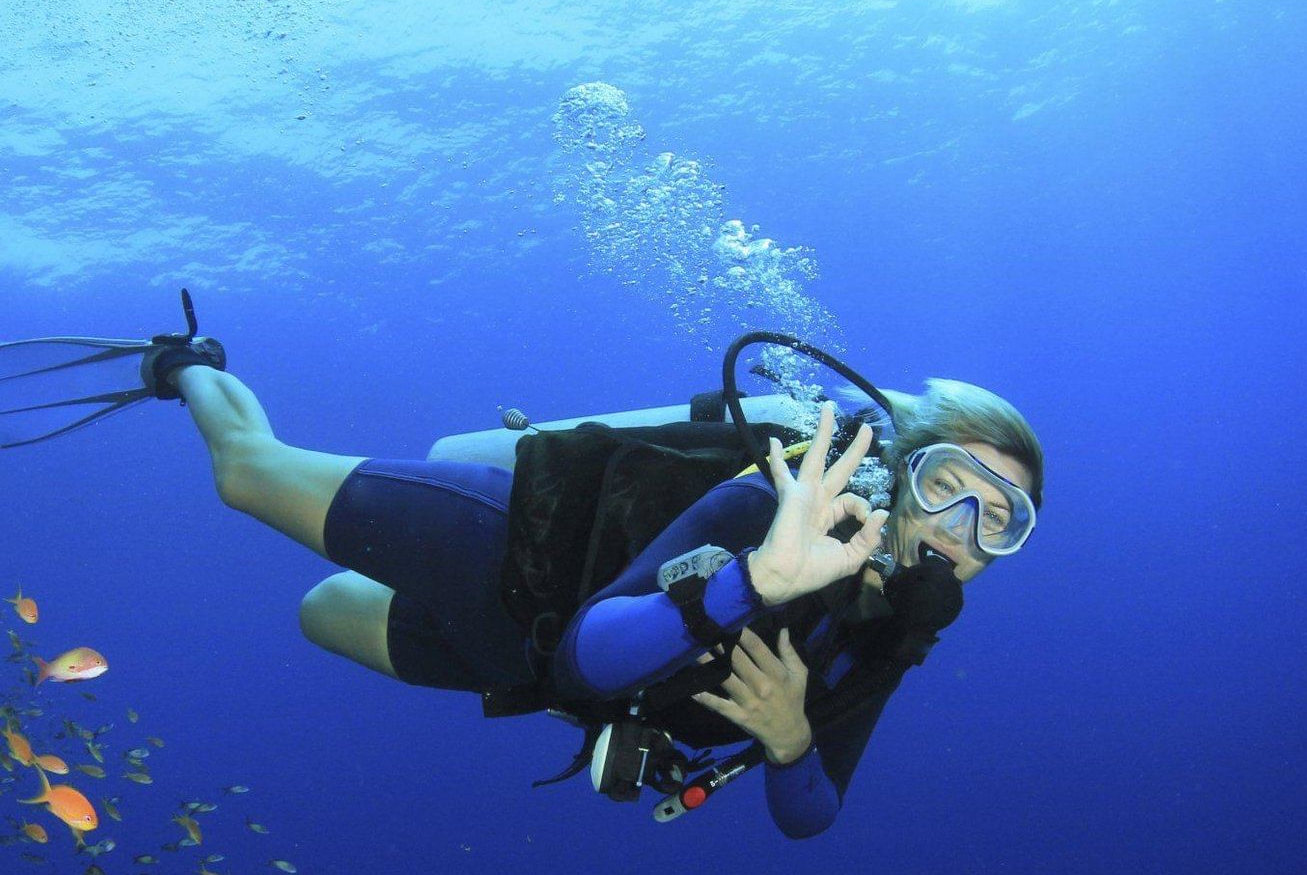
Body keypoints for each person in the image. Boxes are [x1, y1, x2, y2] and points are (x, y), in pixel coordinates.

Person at [166, 357, 1044, 838]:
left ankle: (397, 521)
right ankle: (185, 365)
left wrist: (792, 739)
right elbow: (590, 652)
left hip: (519, 659)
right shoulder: (771, 503)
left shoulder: (885, 638)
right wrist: (758, 580)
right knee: (248, 475)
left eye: (999, 521)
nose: (962, 528)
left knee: (319, 612)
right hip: (524, 557)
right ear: (901, 477)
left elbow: (812, 816)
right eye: (948, 486)